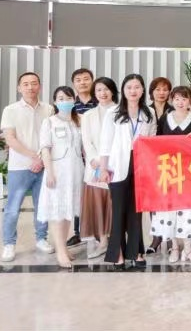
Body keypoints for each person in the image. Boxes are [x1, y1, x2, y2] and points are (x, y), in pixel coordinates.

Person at [98, 74, 158, 269]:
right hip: (117, 165)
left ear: (143, 90)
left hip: (141, 165)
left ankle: (137, 251)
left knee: (137, 211)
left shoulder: (149, 112)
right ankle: (118, 253)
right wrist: (103, 168)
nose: (133, 91)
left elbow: (153, 139)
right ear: (123, 90)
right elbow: (105, 142)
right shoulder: (113, 112)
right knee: (119, 211)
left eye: (137, 87)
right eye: (129, 87)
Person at [0, 72, 55, 262]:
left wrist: (41, 160)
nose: (30, 87)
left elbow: (52, 137)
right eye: (25, 84)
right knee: (12, 208)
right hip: (19, 166)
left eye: (34, 83)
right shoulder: (10, 110)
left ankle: (41, 238)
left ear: (39, 86)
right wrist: (34, 156)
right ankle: (9, 244)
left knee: (42, 205)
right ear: (19, 88)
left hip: (44, 165)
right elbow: (10, 139)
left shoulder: (49, 109)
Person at [150, 86, 191, 264]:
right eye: (177, 99)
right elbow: (156, 143)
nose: (180, 102)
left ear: (190, 101)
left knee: (189, 210)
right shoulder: (164, 119)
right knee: (171, 210)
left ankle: (188, 250)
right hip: (169, 171)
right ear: (171, 100)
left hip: (190, 172)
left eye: (184, 99)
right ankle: (175, 248)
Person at [36, 86, 85, 268]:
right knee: (57, 212)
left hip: (76, 171)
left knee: (68, 210)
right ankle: (61, 251)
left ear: (74, 100)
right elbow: (45, 149)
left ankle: (63, 246)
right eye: (61, 98)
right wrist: (49, 172)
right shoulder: (49, 122)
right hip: (57, 172)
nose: (65, 101)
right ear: (55, 102)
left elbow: (85, 148)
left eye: (68, 98)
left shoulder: (79, 121)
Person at [79, 77, 118, 260]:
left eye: (106, 89)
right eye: (99, 90)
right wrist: (97, 160)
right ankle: (102, 241)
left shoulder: (121, 111)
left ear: (113, 91)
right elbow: (86, 141)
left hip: (116, 166)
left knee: (114, 204)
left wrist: (110, 162)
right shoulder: (88, 115)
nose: (103, 93)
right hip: (95, 167)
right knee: (98, 205)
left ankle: (116, 240)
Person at [67, 69, 97, 250]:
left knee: (97, 194)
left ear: (92, 81)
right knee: (78, 195)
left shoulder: (99, 101)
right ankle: (78, 233)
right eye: (78, 80)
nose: (83, 82)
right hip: (76, 158)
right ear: (74, 84)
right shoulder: (69, 105)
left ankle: (99, 231)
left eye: (86, 79)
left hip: (95, 158)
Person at [145, 77, 173, 255]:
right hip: (150, 160)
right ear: (151, 92)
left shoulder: (174, 110)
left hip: (169, 160)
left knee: (169, 198)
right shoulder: (145, 111)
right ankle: (156, 236)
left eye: (165, 89)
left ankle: (170, 238)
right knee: (153, 199)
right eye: (158, 89)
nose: (161, 93)